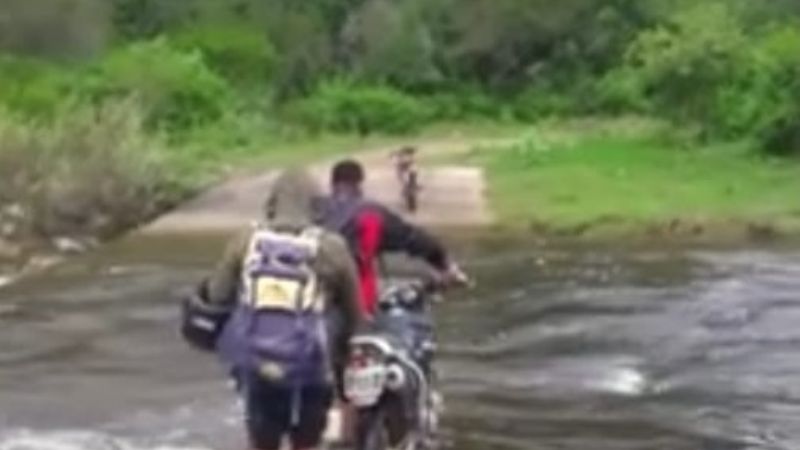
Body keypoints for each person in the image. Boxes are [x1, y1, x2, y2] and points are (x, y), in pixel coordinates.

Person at [200, 169, 363, 450]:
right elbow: (354, 314)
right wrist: (342, 357)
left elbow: (217, 296)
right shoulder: (331, 248)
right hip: (311, 366)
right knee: (306, 441)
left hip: (257, 363)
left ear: (272, 203)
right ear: (317, 205)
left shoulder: (246, 240)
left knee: (263, 440)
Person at [318, 159, 468, 317]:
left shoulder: (316, 209)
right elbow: (413, 239)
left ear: (332, 184)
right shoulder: (370, 212)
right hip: (355, 305)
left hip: (312, 302)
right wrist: (445, 265)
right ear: (360, 183)